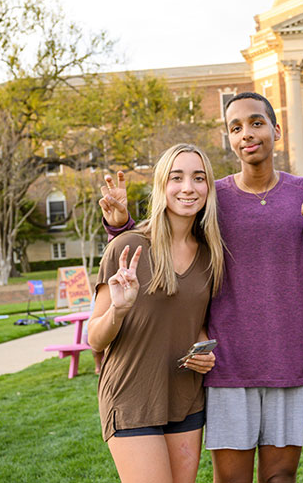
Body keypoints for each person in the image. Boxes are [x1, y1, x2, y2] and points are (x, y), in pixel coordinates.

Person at [100, 92, 303, 483]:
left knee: (281, 478)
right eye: (235, 127)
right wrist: (122, 229)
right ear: (228, 139)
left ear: (277, 129)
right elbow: (169, 233)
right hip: (228, 367)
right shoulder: (214, 198)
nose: (247, 134)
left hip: (292, 361)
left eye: (256, 123)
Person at [88, 143, 225, 483]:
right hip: (133, 397)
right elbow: (95, 337)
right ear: (162, 185)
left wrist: (204, 349)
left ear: (209, 187)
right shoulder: (127, 246)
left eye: (198, 178)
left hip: (185, 398)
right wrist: (118, 311)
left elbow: (194, 321)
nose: (188, 188)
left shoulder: (211, 255)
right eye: (176, 177)